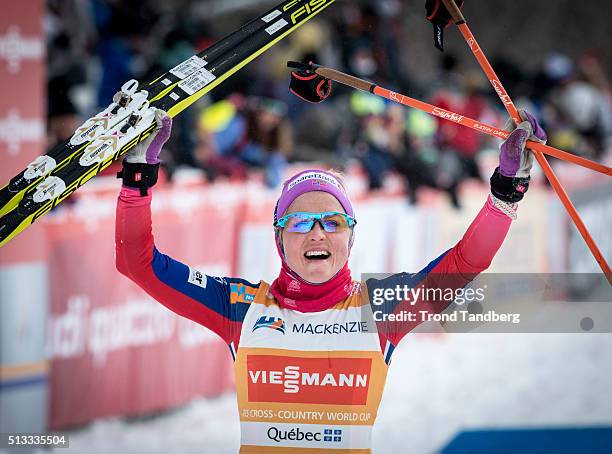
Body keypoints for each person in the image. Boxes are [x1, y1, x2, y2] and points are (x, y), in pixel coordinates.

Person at [115, 107, 546, 452]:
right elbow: (139, 264)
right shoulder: (241, 307)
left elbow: (465, 262)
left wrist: (508, 188)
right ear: (280, 235)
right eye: (301, 221)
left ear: (350, 236)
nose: (317, 233)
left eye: (333, 221)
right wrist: (137, 179)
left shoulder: (381, 307)